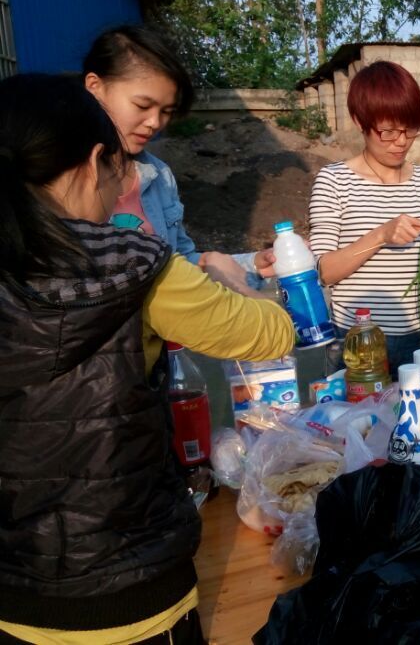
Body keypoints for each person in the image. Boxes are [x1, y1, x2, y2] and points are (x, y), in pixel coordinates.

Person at [0, 74, 295, 643]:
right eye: (119, 175)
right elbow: (270, 334)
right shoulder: (134, 266)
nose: (118, 196)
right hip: (131, 587)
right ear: (94, 162)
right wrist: (238, 281)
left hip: (14, 592)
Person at [307, 61, 420, 370]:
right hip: (359, 342)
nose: (401, 142)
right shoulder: (334, 181)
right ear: (359, 121)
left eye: (410, 130)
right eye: (388, 132)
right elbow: (323, 272)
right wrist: (381, 236)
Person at [82, 25, 274, 295]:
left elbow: (182, 262)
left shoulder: (158, 175)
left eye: (166, 111)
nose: (154, 123)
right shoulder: (62, 176)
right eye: (142, 105)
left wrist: (251, 265)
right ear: (94, 87)